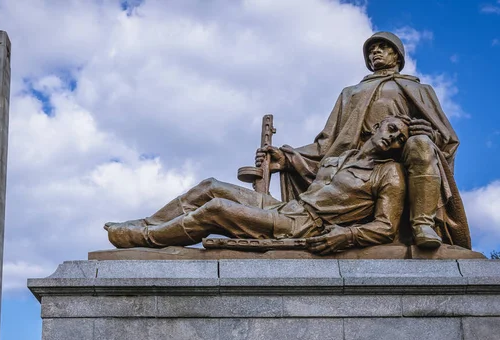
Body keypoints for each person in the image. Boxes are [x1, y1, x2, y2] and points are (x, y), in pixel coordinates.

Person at [257, 32, 470, 249]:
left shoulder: (419, 89)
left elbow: (447, 138)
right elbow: (328, 142)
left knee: (421, 143)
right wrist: (286, 157)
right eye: (371, 50)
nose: (374, 52)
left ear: (397, 56)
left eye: (382, 47)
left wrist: (430, 134)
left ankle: (422, 224)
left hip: (402, 153)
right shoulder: (351, 93)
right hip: (357, 161)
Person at [105, 116, 409, 255]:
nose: (394, 138)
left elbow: (386, 226)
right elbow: (309, 173)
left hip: (302, 225)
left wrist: (347, 234)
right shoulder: (341, 157)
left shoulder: (390, 174)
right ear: (375, 127)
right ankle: (146, 221)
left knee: (216, 210)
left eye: (400, 139)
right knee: (210, 186)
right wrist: (281, 162)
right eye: (392, 129)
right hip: (287, 208)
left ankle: (144, 238)